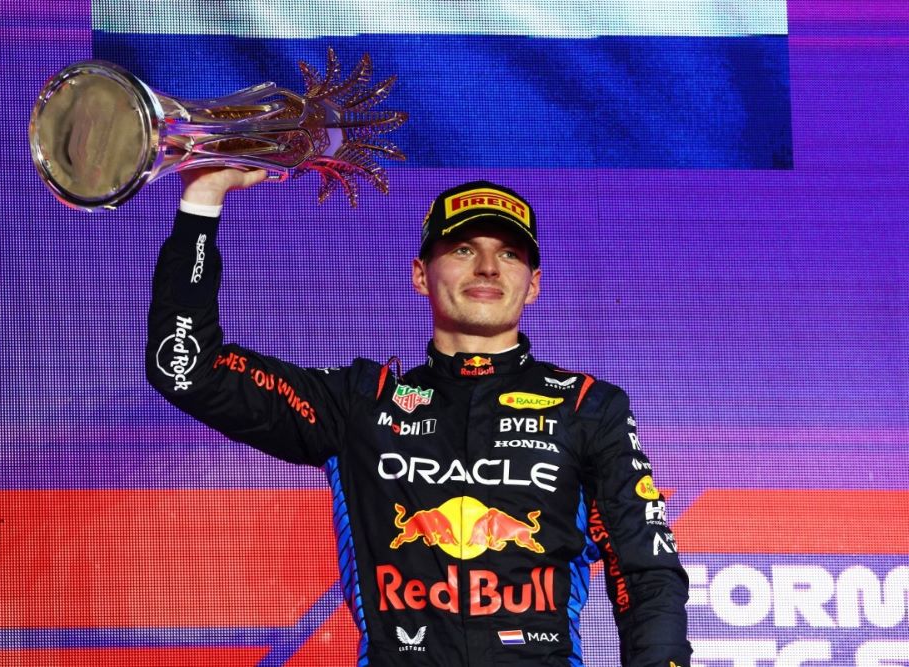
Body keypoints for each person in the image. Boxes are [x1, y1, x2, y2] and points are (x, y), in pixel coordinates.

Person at [146, 168, 692, 667]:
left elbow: (646, 574)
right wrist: (202, 200)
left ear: (533, 284)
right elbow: (187, 368)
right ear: (419, 274)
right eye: (461, 248)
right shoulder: (360, 404)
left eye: (508, 254)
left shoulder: (588, 406)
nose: (486, 266)